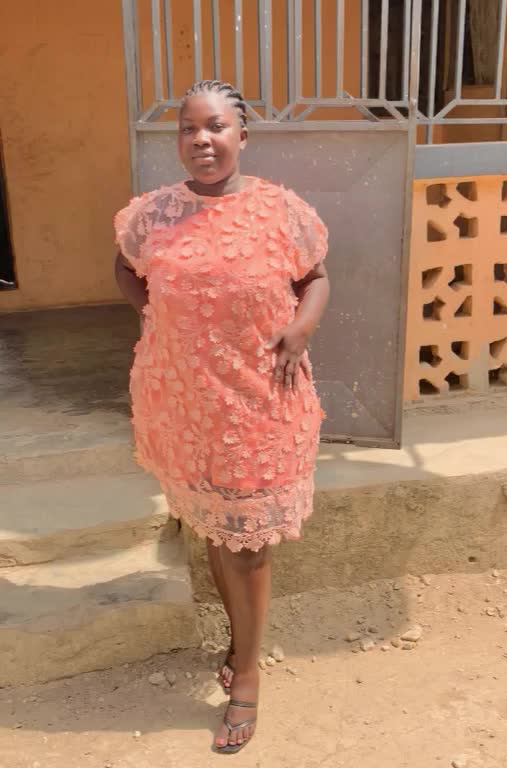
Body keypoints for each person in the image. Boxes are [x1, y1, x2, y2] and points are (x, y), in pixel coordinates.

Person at [114, 80, 329, 754]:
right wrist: (156, 316)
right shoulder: (152, 215)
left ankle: (248, 676)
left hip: (263, 400)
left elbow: (316, 278)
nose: (201, 140)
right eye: (188, 128)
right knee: (215, 528)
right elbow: (125, 270)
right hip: (186, 402)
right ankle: (240, 645)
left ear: (242, 135)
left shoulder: (281, 211)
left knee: (250, 544)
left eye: (215, 127)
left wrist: (300, 329)